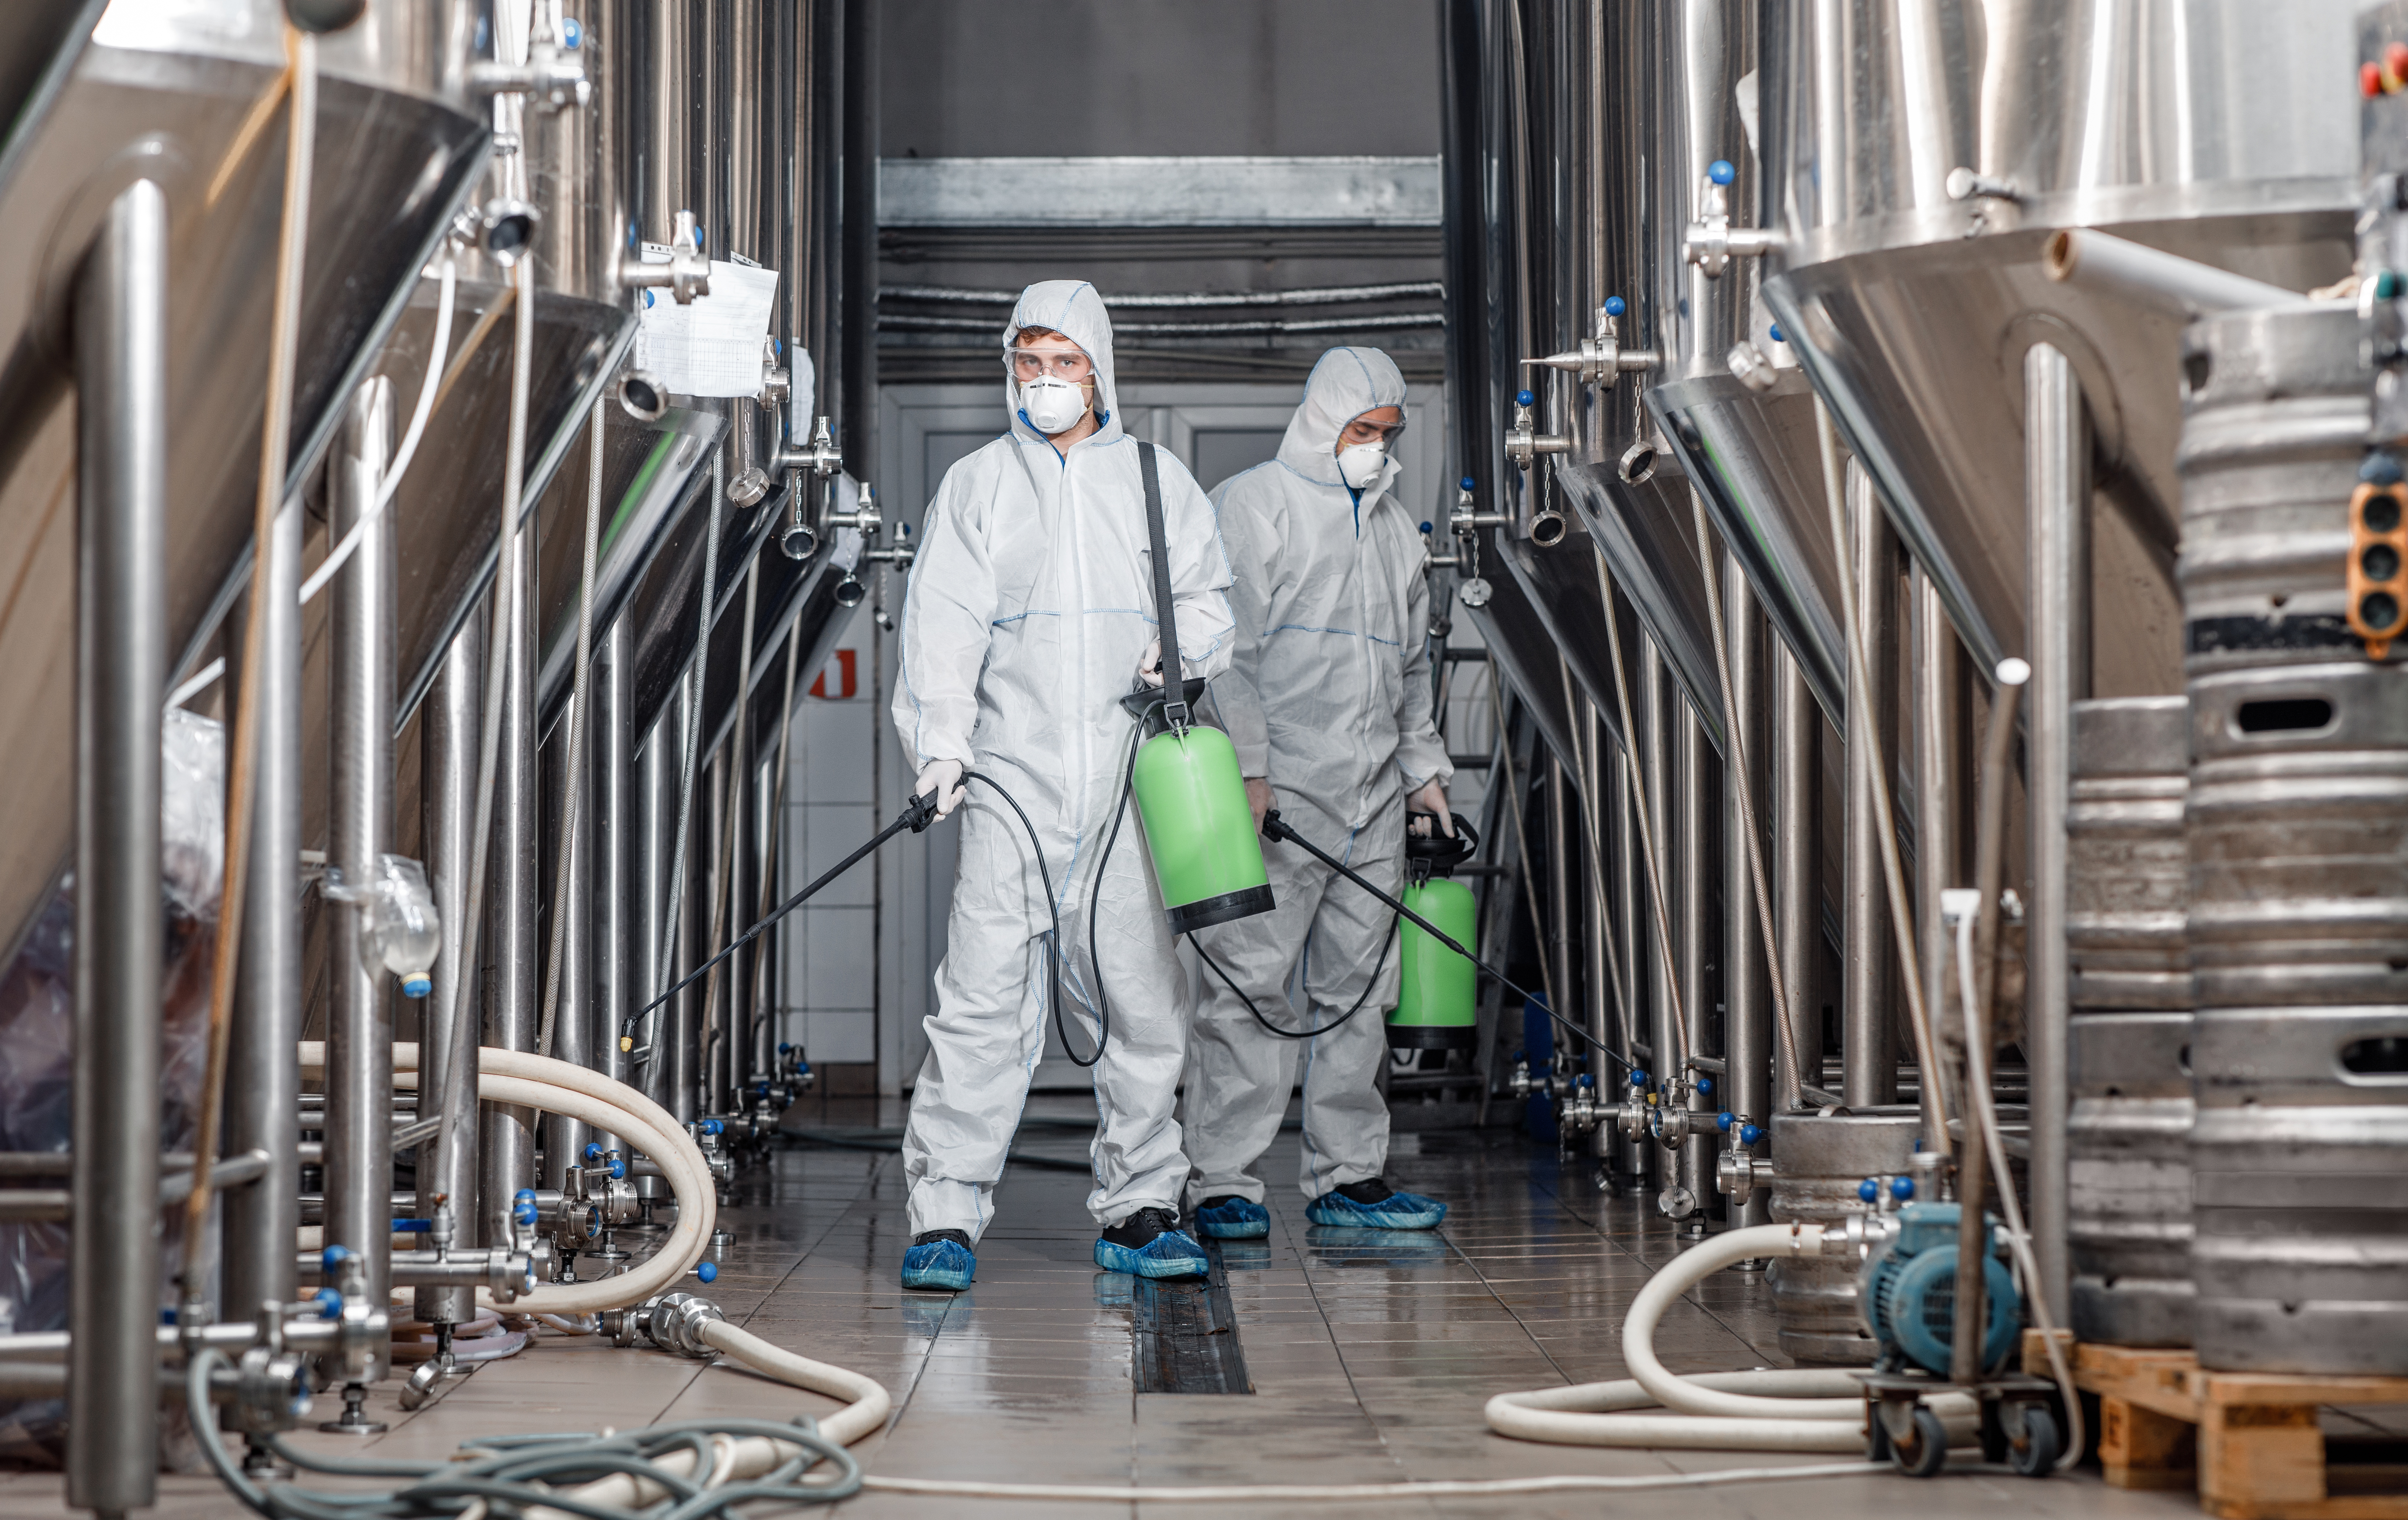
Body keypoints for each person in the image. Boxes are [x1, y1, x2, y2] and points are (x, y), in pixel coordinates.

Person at [891, 280, 1237, 1291]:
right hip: (1010, 784)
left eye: (1063, 362)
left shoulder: (1152, 478)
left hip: (1133, 784)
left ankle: (1139, 1205)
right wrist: (942, 749)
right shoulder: (977, 487)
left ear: (1099, 369)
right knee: (982, 1005)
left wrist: (1182, 658)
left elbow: (1208, 604)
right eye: (1027, 362)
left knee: (1142, 999)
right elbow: (942, 629)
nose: (1044, 382)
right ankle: (944, 1216)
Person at [1181, 347, 1453, 1240]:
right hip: (1279, 795)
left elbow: (1410, 669)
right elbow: (1231, 657)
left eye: (1387, 434)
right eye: (1361, 431)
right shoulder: (1252, 506)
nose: (1375, 448)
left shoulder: (1391, 530)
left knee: (1360, 994)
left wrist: (1424, 776)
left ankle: (1349, 1176)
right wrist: (1250, 770)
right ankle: (1222, 1181)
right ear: (1319, 420)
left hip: (1371, 795)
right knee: (1251, 992)